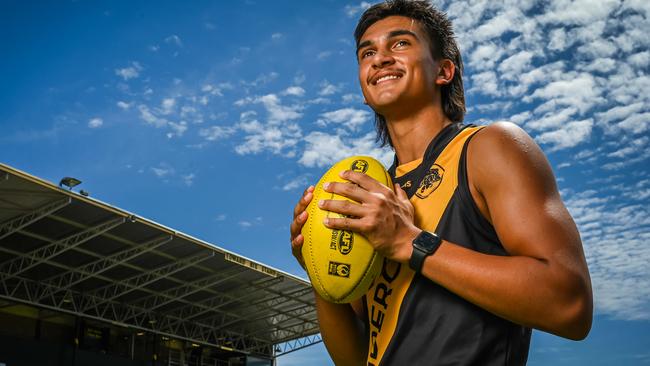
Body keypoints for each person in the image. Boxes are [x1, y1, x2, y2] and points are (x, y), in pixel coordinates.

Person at [290, 1, 593, 365]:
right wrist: (318, 269)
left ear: (444, 70)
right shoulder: (376, 194)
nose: (380, 58)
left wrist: (410, 242)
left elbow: (569, 304)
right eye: (367, 52)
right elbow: (355, 359)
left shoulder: (489, 148)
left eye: (400, 44)